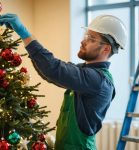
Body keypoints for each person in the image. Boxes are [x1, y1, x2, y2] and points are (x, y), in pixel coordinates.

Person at [0, 14, 127, 150]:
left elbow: (53, 68)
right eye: (86, 36)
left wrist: (24, 33)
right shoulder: (84, 71)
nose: (83, 41)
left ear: (106, 49)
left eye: (91, 39)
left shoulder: (97, 81)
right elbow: (50, 74)